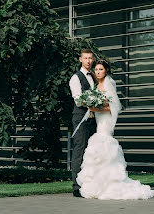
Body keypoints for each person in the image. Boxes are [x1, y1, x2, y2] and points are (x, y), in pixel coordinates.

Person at [76, 59, 154, 200]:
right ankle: (99, 184)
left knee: (104, 145)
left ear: (106, 70)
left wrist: (94, 108)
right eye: (96, 69)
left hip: (105, 121)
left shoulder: (108, 83)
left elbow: (114, 107)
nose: (98, 72)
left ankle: (110, 184)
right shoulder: (97, 85)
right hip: (98, 119)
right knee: (98, 149)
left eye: (101, 69)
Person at [69, 48, 97, 198]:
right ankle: (76, 186)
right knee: (79, 149)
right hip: (81, 117)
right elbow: (78, 99)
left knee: (92, 151)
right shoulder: (76, 78)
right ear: (80, 59)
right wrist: (93, 103)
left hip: (94, 119)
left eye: (90, 58)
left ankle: (90, 184)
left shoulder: (94, 76)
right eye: (85, 58)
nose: (88, 61)